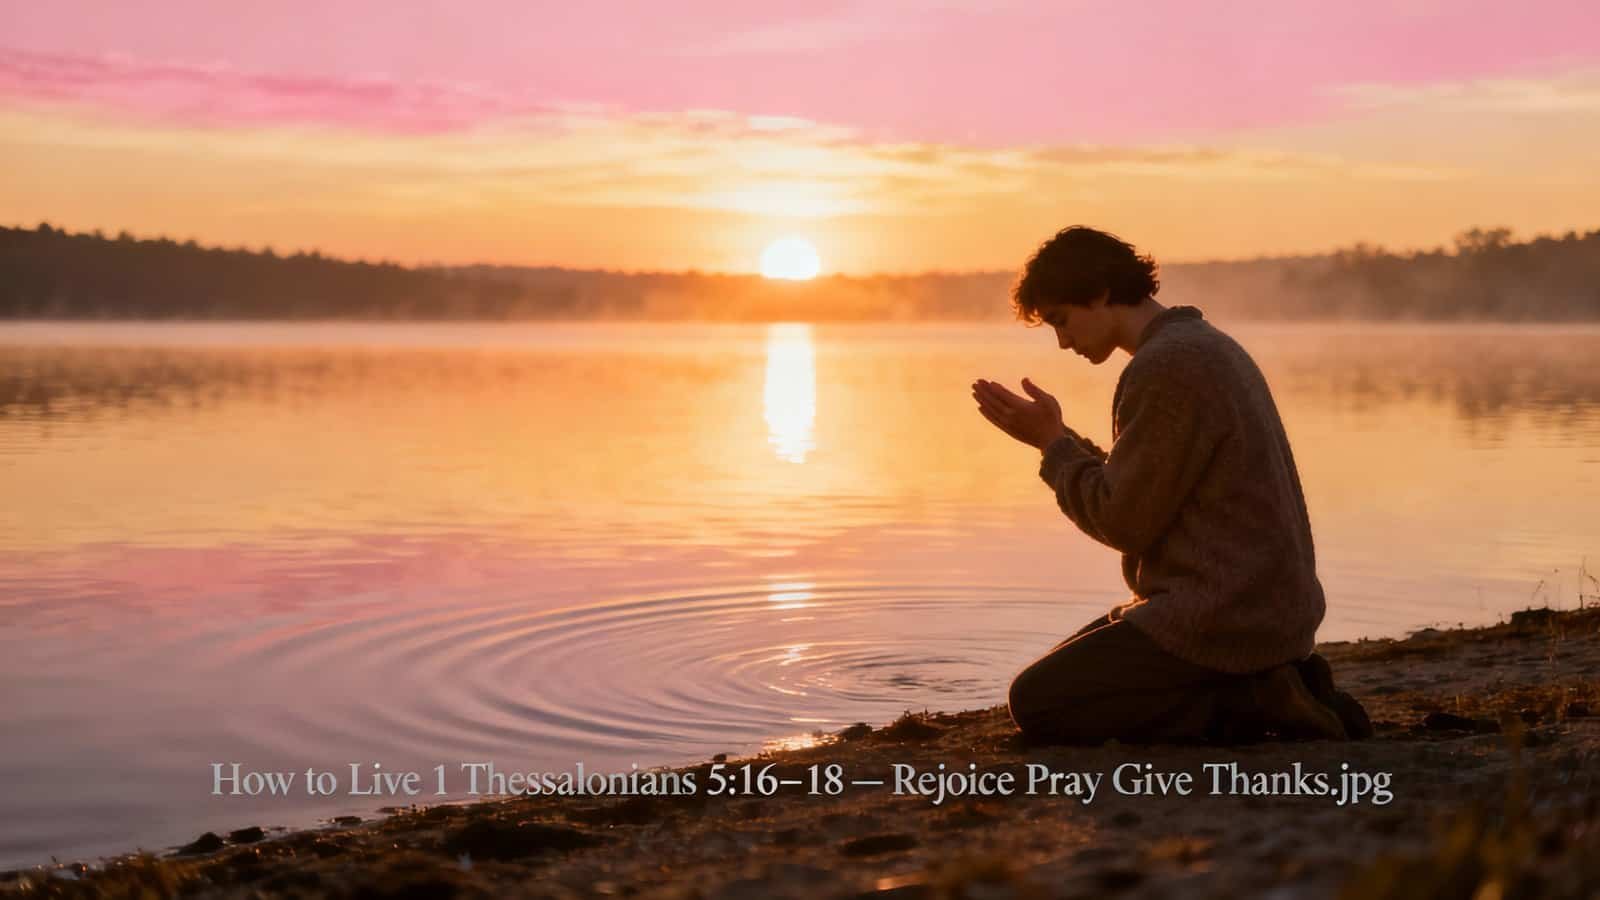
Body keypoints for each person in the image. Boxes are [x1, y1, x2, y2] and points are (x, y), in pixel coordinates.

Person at [971, 226, 1372, 745]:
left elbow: (1123, 521)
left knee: (1037, 701)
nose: (1063, 341)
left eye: (1062, 321)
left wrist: (1053, 449)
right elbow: (1145, 485)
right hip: (1259, 607)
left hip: (1229, 614)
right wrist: (1057, 437)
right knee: (1066, 671)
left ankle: (1253, 702)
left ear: (1099, 293)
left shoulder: (1168, 365)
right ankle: (1281, 684)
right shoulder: (1199, 346)